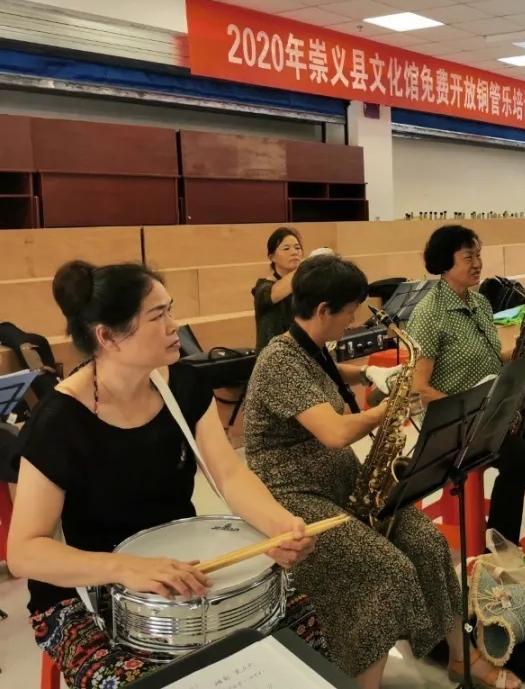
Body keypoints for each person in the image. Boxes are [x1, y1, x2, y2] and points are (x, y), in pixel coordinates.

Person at [6, 261, 327, 689]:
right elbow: (25, 552)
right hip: (84, 592)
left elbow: (229, 475)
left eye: (170, 309)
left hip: (184, 571)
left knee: (300, 629)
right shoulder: (58, 422)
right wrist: (125, 569)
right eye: (158, 316)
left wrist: (279, 526)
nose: (175, 325)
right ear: (107, 336)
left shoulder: (184, 385)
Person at [242, 253, 518, 689]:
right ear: (323, 311)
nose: (353, 321)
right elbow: (335, 433)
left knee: (428, 542)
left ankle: (461, 656)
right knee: (386, 570)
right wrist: (385, 410)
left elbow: (330, 373)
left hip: (342, 485)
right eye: (349, 312)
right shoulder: (278, 360)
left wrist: (371, 372)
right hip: (293, 498)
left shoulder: (311, 348)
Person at [407, 225, 525, 544]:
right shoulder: (429, 314)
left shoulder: (479, 302)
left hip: (490, 412)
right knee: (520, 455)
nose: (478, 263)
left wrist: (520, 354)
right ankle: (502, 546)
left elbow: (488, 357)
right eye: (468, 257)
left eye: (478, 255)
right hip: (452, 422)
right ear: (445, 262)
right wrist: (473, 412)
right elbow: (419, 388)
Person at [252, 226, 395, 394]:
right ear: (271, 257)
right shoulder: (263, 288)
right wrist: (309, 265)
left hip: (306, 353)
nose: (294, 252)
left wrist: (367, 371)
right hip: (280, 363)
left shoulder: (305, 287)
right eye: (286, 248)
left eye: (297, 248)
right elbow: (274, 293)